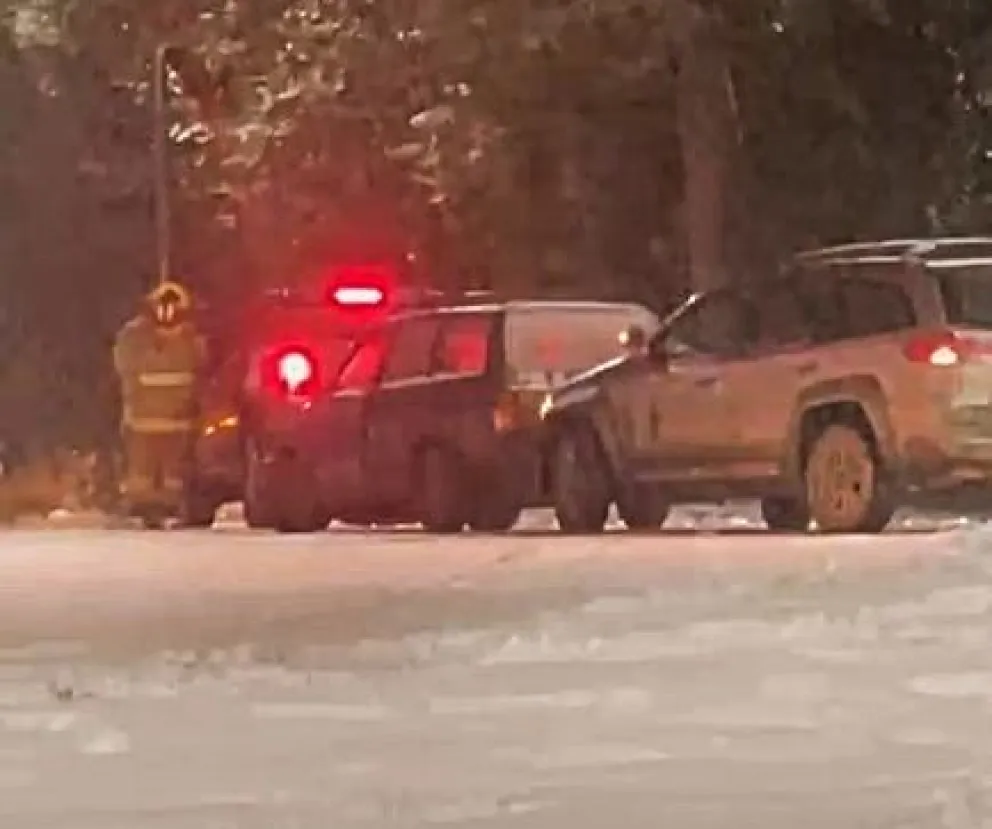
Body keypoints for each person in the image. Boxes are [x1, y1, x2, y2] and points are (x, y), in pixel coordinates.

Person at [112, 281, 206, 519]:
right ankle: (146, 507)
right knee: (145, 472)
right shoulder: (138, 336)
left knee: (170, 473)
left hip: (172, 421)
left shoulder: (189, 338)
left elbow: (200, 369)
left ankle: (164, 507)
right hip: (149, 420)